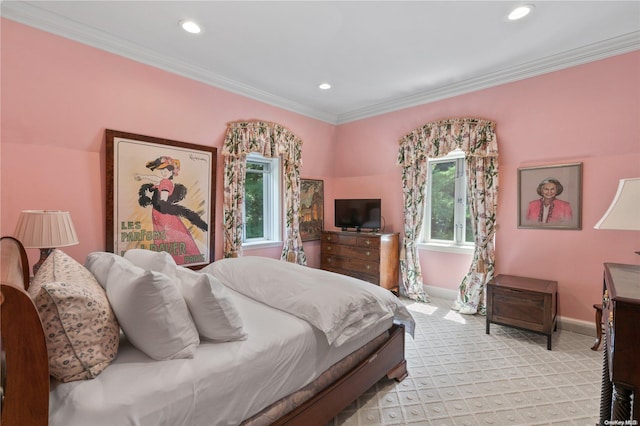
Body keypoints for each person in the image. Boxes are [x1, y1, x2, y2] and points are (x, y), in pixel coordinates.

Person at [135, 156, 208, 264]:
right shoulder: (164, 181)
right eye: (162, 170)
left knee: (168, 239)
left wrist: (157, 199)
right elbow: (155, 178)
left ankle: (173, 262)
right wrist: (142, 176)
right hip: (160, 215)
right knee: (166, 238)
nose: (163, 172)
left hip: (164, 216)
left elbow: (163, 199)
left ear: (172, 172)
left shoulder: (165, 183)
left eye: (166, 170)